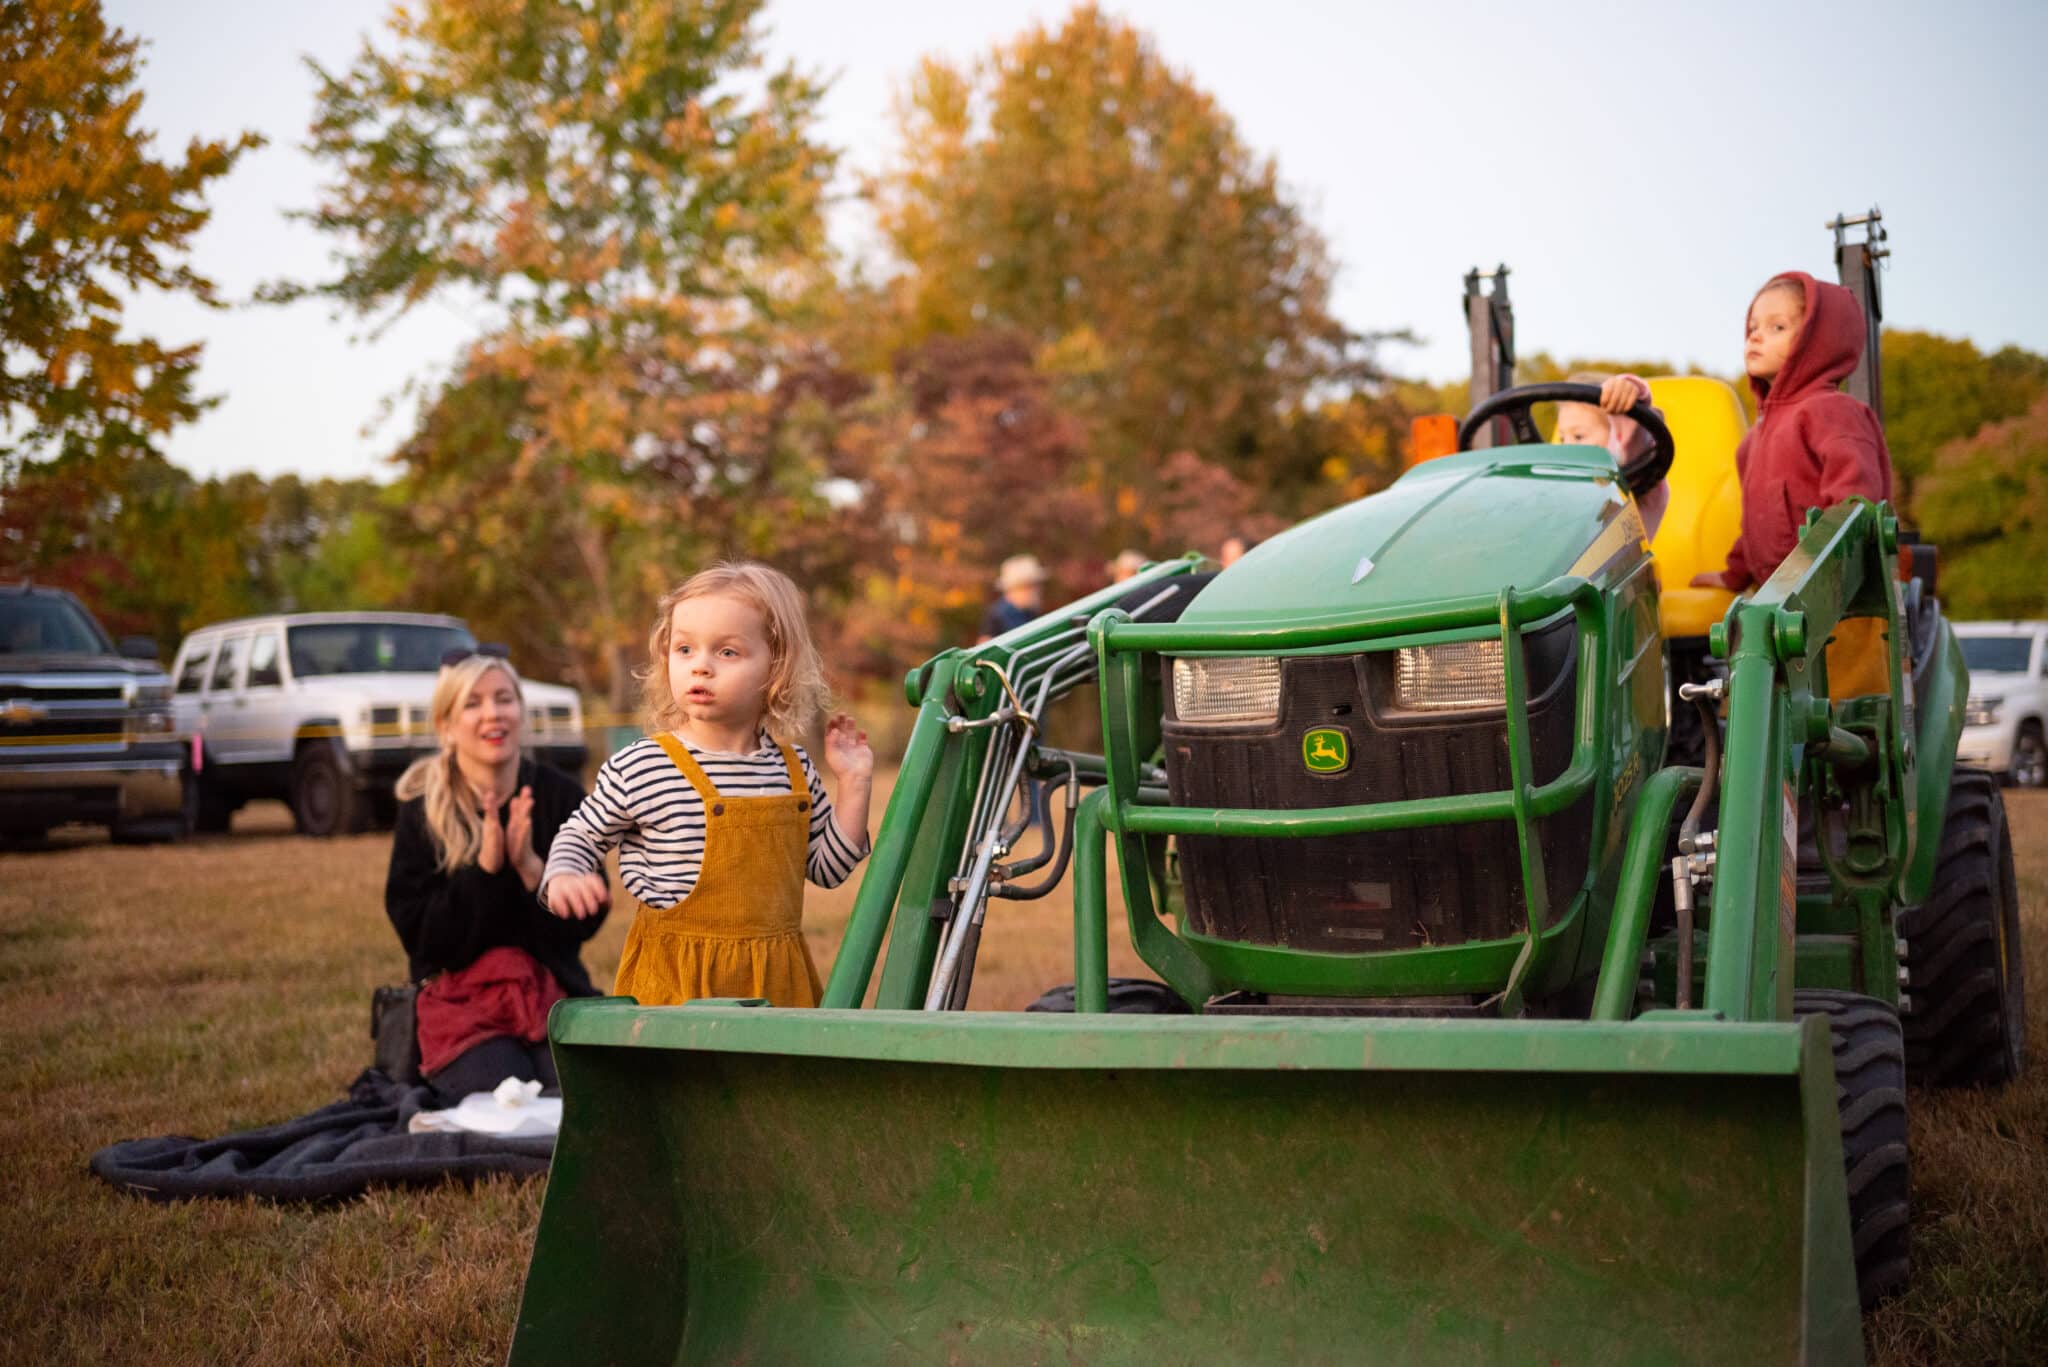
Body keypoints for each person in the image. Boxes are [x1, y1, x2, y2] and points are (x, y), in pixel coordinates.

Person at [541, 563, 873, 1007]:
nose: (700, 667)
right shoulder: (644, 765)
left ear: (776, 667)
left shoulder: (792, 771)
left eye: (727, 653)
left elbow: (829, 869)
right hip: (675, 986)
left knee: (769, 1080)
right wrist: (565, 872)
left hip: (774, 987)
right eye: (684, 649)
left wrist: (853, 784)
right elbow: (581, 834)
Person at [384, 649, 607, 1105]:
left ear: (521, 712)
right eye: (473, 703)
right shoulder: (424, 809)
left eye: (504, 699)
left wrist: (532, 869)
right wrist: (484, 870)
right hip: (463, 1005)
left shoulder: (558, 795)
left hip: (550, 994)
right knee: (511, 1095)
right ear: (446, 725)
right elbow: (425, 942)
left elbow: (581, 927)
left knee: (578, 1101)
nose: (493, 714)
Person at [1691, 271, 1894, 696]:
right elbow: (1758, 524)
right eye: (1752, 328)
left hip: (1837, 610)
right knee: (1764, 721)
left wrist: (1827, 577)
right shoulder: (1754, 441)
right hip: (1773, 608)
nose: (1755, 338)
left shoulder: (1831, 413)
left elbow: (1853, 508)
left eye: (1777, 327)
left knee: (1838, 725)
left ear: (1818, 342)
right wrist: (1732, 574)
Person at [1553, 371, 1670, 539]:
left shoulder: (1636, 484)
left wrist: (1626, 389)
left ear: (1618, 436)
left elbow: (1638, 437)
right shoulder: (1567, 486)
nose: (1566, 447)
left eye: (1579, 436)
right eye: (1563, 437)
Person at [978, 553, 1048, 644]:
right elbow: (984, 652)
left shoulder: (1030, 612)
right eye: (1034, 585)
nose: (1038, 590)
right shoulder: (996, 616)